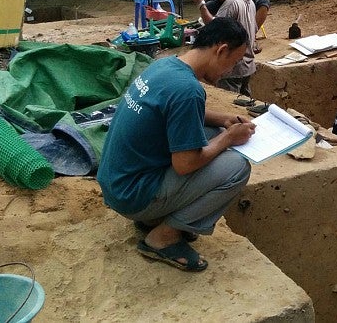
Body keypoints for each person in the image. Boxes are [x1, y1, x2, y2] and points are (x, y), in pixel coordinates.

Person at [97, 17, 256, 272]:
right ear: (221, 50)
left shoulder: (166, 66)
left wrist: (223, 120)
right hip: (132, 195)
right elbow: (185, 165)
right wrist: (228, 138)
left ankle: (154, 218)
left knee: (211, 129)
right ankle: (163, 237)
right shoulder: (188, 89)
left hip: (118, 182)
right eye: (233, 62)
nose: (231, 71)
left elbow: (171, 111)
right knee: (237, 167)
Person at [192, 0, 257, 96]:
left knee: (230, 105)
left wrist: (201, 4)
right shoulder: (249, 1)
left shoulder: (231, 3)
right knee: (245, 104)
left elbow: (214, 27)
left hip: (232, 66)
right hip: (247, 65)